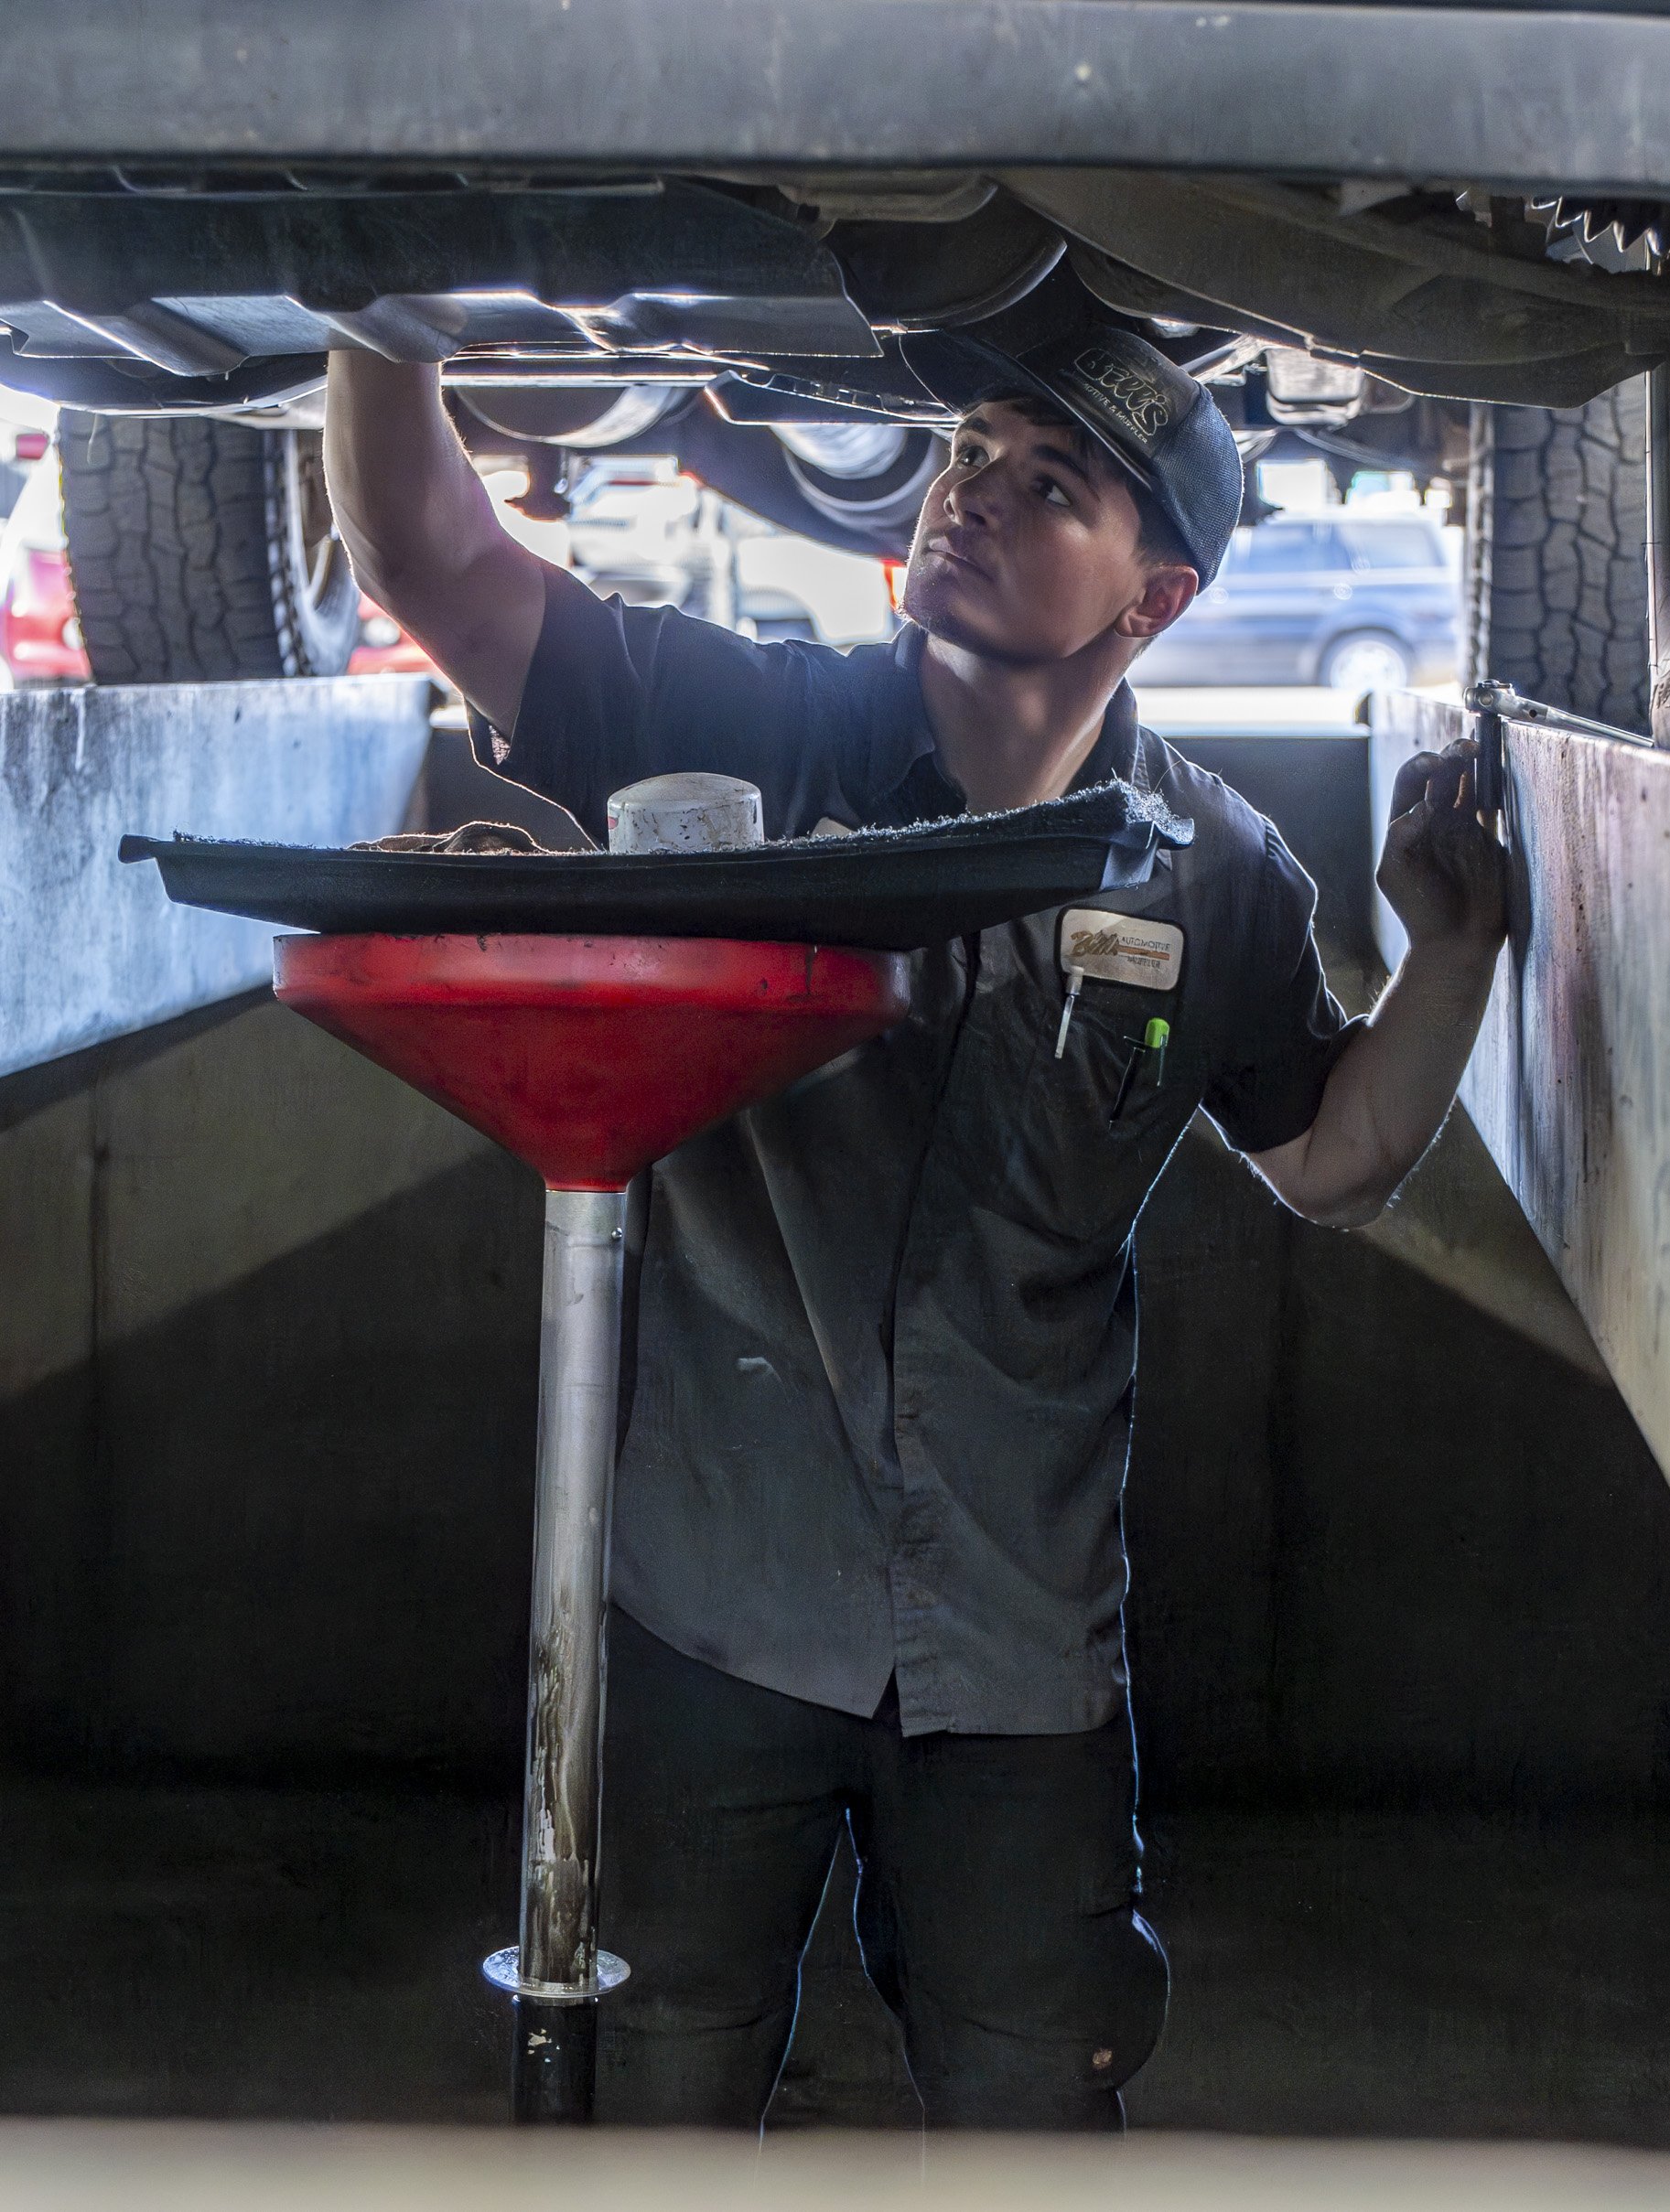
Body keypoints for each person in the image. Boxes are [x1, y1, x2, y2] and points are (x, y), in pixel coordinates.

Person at [325, 328, 1506, 2131]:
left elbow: (1331, 1157)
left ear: (1158, 595)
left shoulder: (1210, 874)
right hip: (716, 1615)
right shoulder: (741, 731)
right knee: (645, 2111)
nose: (978, 494)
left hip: (1014, 1664)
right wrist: (370, 297)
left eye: (1054, 487)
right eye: (972, 451)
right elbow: (432, 557)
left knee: (1034, 2117)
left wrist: (1452, 946)